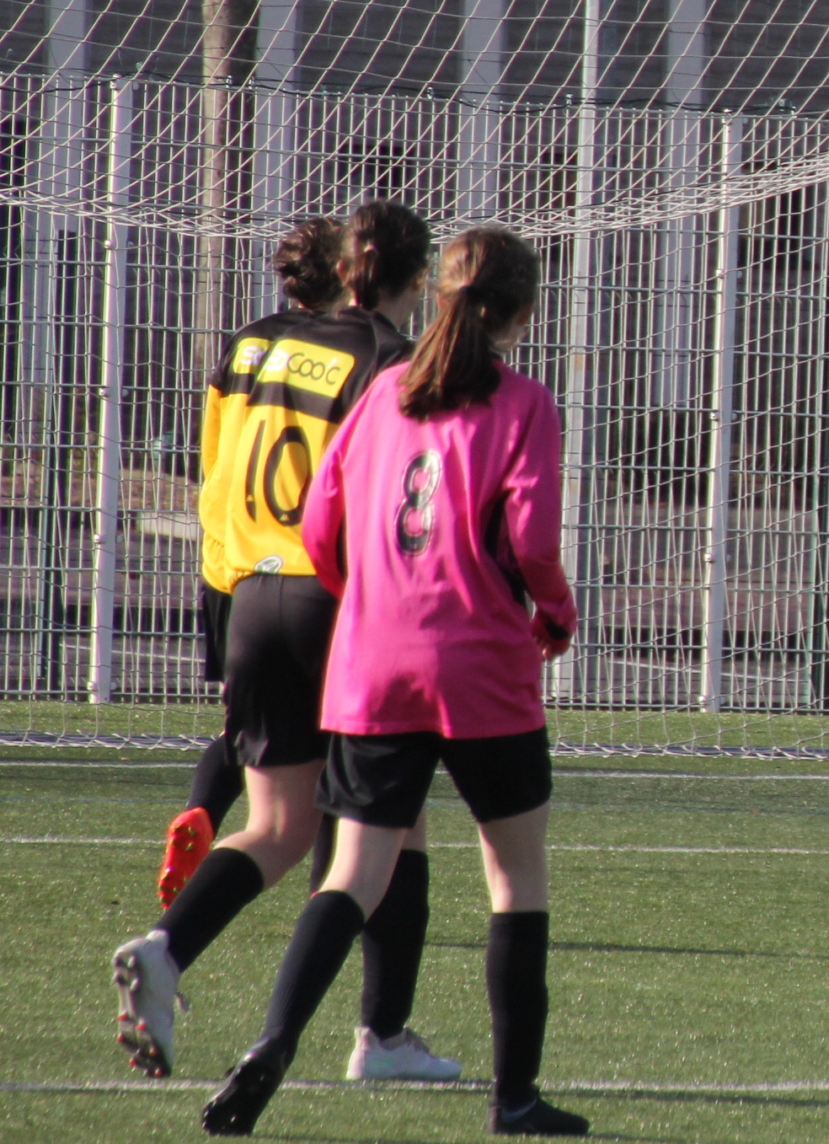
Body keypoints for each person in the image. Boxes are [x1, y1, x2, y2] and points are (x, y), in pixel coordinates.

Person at [203, 226, 587, 1137]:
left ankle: (273, 1042)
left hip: (373, 665)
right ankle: (516, 1099)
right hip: (480, 665)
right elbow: (530, 539)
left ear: (444, 293)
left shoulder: (383, 394)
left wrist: (366, 601)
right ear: (522, 312)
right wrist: (556, 618)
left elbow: (323, 520)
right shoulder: (523, 402)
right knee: (515, 877)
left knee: (353, 873)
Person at [113, 203, 456, 1086]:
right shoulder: (389, 358)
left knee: (275, 824)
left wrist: (223, 606)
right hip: (337, 598)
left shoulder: (251, 345)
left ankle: (165, 948)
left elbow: (216, 483)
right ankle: (383, 1037)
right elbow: (386, 498)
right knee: (396, 819)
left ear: (345, 265)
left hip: (250, 589)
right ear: (411, 281)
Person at [162, 218, 348, 909]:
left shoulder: (242, 347)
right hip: (310, 569)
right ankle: (332, 895)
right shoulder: (355, 351)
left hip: (233, 560)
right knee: (333, 748)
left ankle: (204, 807)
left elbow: (212, 458)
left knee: (247, 728)